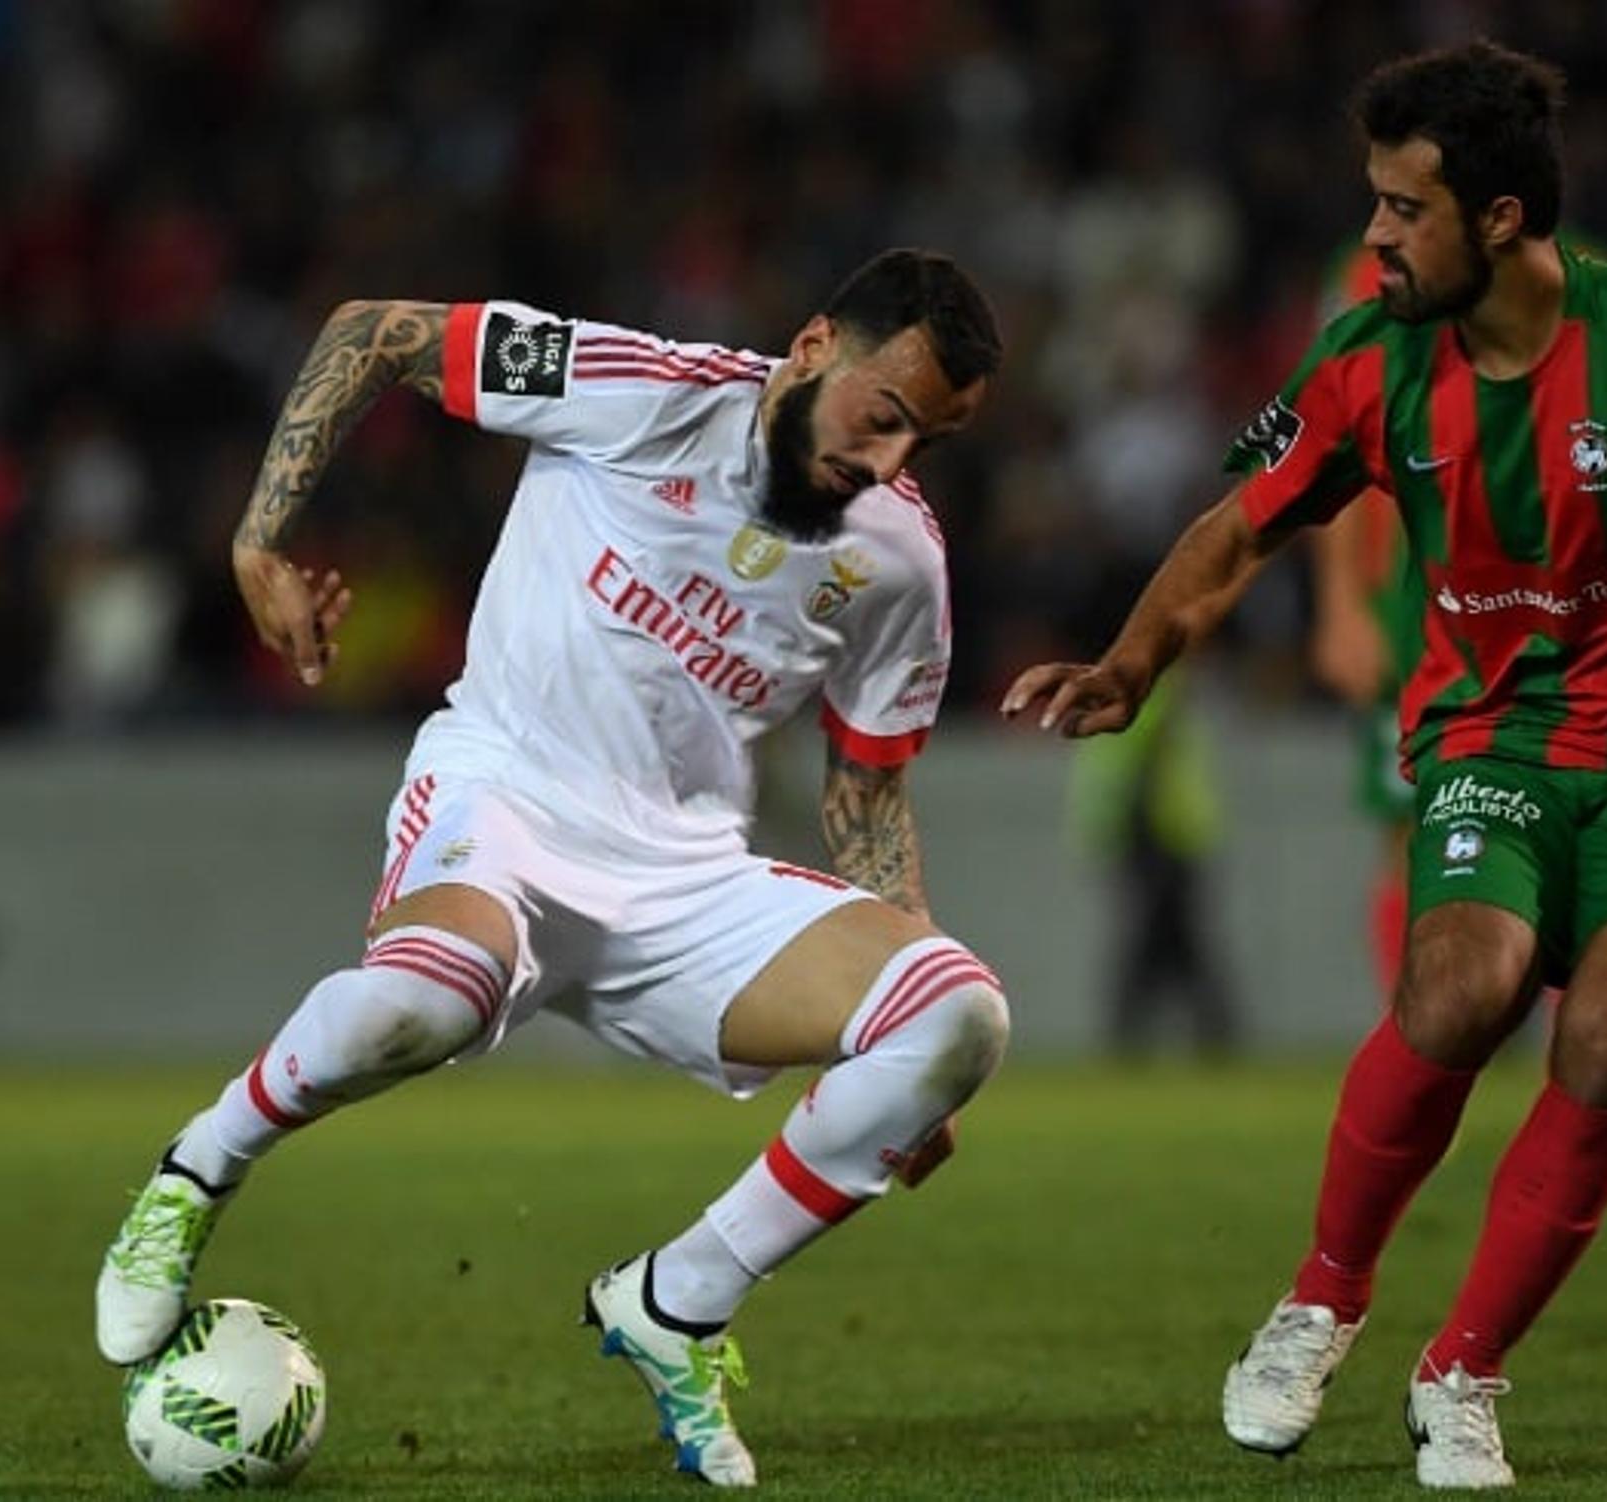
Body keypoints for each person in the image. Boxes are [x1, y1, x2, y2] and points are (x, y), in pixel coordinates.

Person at [1005, 41, 1607, 1489]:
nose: (1372, 235)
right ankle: (1322, 1296)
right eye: (1372, 202)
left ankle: (1466, 1372)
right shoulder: (1368, 361)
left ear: (1497, 218)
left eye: (1401, 208)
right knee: (1457, 986)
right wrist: (1131, 661)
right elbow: (1241, 526)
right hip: (1496, 734)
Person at [95, 249, 1011, 1490]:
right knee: (429, 996)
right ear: (812, 348)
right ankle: (198, 1166)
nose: (890, 461)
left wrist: (921, 1071)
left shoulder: (899, 559)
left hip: (685, 878)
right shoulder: (639, 391)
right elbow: (372, 331)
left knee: (957, 1013)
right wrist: (262, 543)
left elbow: (866, 784)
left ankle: (676, 1302)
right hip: (508, 795)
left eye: (926, 443)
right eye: (884, 415)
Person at [1066, 664, 1240, 1056]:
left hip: (1164, 839)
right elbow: (1139, 774)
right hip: (1160, 839)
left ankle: (1141, 1033)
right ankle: (1205, 1032)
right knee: (1171, 943)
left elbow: (1118, 774)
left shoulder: (1138, 704)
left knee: (1163, 942)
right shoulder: (1154, 705)